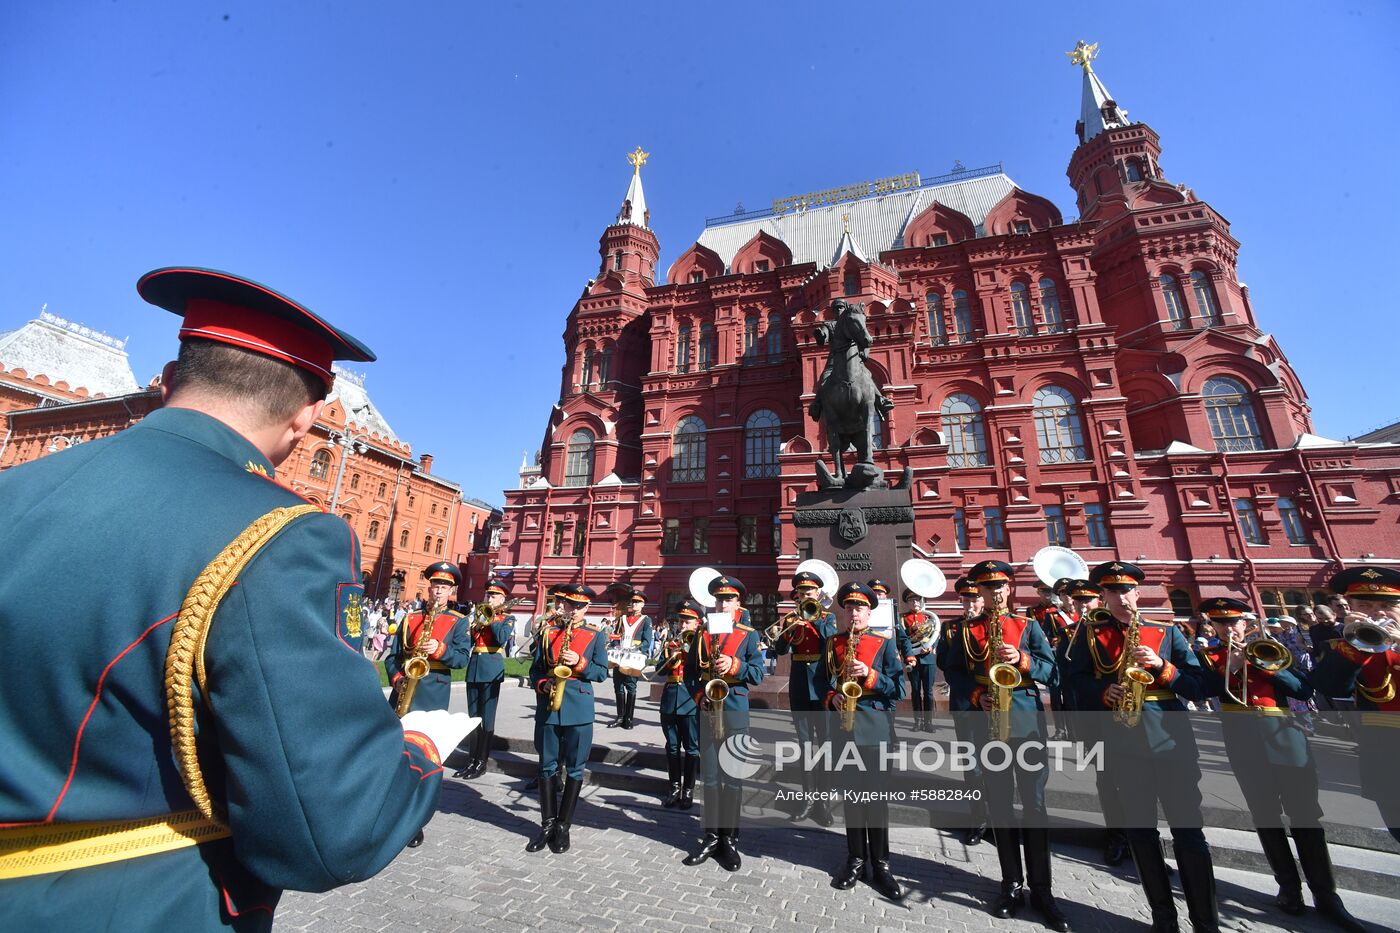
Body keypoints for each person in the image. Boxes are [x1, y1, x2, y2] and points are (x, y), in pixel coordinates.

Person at [0, 267, 446, 931]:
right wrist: (421, 746)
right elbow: (335, 830)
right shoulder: (283, 536)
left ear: (166, 381)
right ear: (307, 417)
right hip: (135, 905)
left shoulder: (17, 491)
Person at [1065, 561, 1217, 933]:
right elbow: (1073, 681)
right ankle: (1163, 918)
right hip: (1124, 745)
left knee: (1189, 832)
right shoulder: (1089, 635)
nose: (1119, 597)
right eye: (1112, 591)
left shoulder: (1167, 633)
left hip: (1171, 743)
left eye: (1125, 590)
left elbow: (1200, 685)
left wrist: (1164, 668)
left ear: (1137, 593)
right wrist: (1103, 691)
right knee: (1141, 832)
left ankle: (1205, 923)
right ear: (1104, 596)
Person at [1196, 598, 1363, 932]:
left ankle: (1327, 896)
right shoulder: (1209, 657)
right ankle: (1289, 888)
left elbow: (1304, 688)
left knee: (1306, 816)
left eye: (1234, 623)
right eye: (1221, 624)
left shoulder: (1267, 648)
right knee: (1265, 815)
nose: (1229, 629)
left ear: (1246, 624)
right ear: (1212, 627)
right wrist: (1229, 668)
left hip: (1287, 738)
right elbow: (1202, 690)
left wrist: (1268, 666)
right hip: (1242, 741)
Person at [946, 561, 1067, 930]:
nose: (995, 592)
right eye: (988, 587)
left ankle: (1043, 890)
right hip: (988, 725)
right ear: (978, 591)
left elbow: (1053, 672)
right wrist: (975, 696)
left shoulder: (1028, 626)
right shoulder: (964, 631)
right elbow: (954, 672)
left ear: (1009, 588)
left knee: (1034, 804)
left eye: (1000, 586)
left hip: (1027, 723)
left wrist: (1025, 660)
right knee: (999, 803)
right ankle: (1011, 883)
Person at [821, 581, 905, 900]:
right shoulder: (833, 643)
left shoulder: (884, 643)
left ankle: (881, 864)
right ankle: (855, 859)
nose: (854, 613)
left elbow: (898, 688)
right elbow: (820, 684)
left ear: (870, 612)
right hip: (844, 731)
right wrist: (832, 699)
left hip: (875, 730)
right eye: (850, 608)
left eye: (860, 608)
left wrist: (870, 675)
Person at [1311, 565, 1400, 845]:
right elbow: (1329, 686)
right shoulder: (1346, 646)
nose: (1378, 613)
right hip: (1384, 755)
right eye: (1366, 605)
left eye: (1387, 605)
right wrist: (1353, 644)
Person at [682, 574, 764, 872]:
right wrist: (697, 695)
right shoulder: (703, 634)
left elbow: (757, 674)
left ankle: (730, 839)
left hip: (734, 712)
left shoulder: (748, 634)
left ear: (738, 603)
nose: (723, 603)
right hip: (707, 710)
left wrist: (735, 665)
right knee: (712, 778)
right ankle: (711, 836)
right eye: (719, 599)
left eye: (728, 599)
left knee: (732, 778)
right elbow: (690, 672)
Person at [526, 583, 609, 855]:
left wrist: (581, 662)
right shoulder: (549, 632)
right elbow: (535, 669)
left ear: (587, 608)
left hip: (579, 707)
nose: (572, 610)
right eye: (569, 605)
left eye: (578, 606)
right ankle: (547, 823)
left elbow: (600, 673)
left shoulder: (596, 635)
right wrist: (543, 685)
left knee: (574, 768)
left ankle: (564, 826)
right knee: (547, 765)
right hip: (550, 705)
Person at [770, 571, 837, 825]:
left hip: (821, 686)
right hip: (799, 685)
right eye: (800, 594)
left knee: (826, 746)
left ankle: (824, 803)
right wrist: (786, 631)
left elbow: (830, 643)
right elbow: (780, 650)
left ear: (818, 594)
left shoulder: (827, 619)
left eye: (809, 593)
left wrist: (811, 620)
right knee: (805, 745)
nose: (804, 596)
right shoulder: (790, 618)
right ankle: (808, 800)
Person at [937, 575, 990, 846]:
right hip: (966, 703)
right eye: (966, 598)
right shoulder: (950, 629)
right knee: (973, 764)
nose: (971, 602)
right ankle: (977, 818)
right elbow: (945, 664)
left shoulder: (997, 624)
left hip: (998, 702)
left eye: (975, 597)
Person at [453, 577, 517, 779]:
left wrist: (490, 619)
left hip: (491, 668)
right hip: (474, 668)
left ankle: (481, 762)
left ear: (503, 598)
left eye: (495, 595)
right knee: (473, 718)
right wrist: (474, 624)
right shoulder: (481, 615)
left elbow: (500, 639)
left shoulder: (507, 618)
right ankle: (471, 760)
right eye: (489, 594)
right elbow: (470, 640)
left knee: (486, 719)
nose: (490, 598)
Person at [657, 599, 702, 809]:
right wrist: (670, 660)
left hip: (690, 699)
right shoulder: (670, 644)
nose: (683, 625)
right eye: (681, 620)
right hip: (670, 698)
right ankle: (674, 786)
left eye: (688, 621)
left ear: (697, 623)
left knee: (692, 748)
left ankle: (688, 790)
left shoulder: (702, 644)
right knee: (672, 746)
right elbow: (659, 670)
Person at [608, 587, 654, 730]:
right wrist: (615, 645)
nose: (634, 604)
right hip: (619, 656)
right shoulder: (622, 618)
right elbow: (616, 636)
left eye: (637, 602)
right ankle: (620, 716)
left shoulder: (646, 620)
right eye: (632, 602)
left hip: (633, 657)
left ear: (642, 605)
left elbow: (647, 641)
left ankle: (629, 718)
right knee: (618, 687)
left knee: (631, 687)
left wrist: (638, 649)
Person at [901, 588, 939, 733]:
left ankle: (929, 722)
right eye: (912, 600)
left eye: (918, 599)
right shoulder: (903, 618)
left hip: (928, 659)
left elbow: (936, 634)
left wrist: (931, 647)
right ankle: (918, 721)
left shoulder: (929, 618)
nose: (915, 602)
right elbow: (902, 638)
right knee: (915, 691)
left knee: (928, 692)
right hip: (913, 659)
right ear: (908, 603)